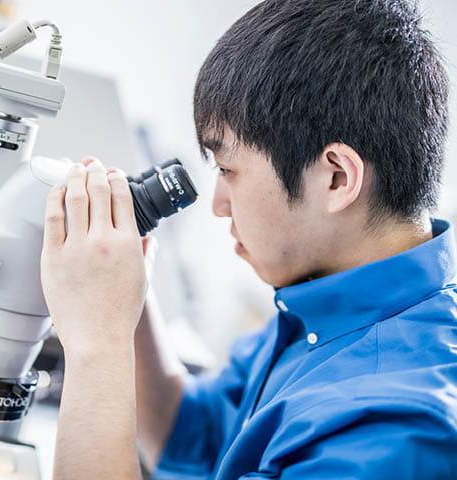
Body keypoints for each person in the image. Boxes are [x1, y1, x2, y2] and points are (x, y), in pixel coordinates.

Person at [40, 0, 457, 478]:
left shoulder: (395, 433)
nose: (219, 203)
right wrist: (122, 293)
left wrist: (96, 342)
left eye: (228, 169)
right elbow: (191, 440)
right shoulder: (322, 305)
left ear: (337, 179)